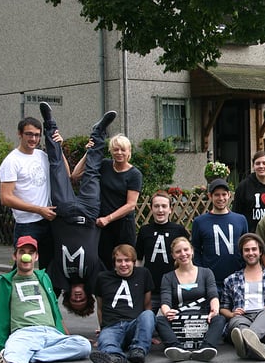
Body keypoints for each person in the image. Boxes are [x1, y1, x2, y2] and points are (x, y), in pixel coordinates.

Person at [0, 236, 91, 363]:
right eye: (22, 251)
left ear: (36, 257)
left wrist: (66, 336)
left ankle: (28, 356)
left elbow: (55, 310)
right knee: (14, 348)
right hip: (23, 334)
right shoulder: (4, 282)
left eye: (30, 252)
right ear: (15, 256)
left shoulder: (44, 278)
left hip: (51, 333)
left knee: (83, 345)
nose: (26, 256)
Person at [40, 102, 115, 317]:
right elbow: (105, 300)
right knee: (92, 171)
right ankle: (99, 131)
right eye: (82, 300)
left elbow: (48, 303)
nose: (78, 297)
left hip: (62, 213)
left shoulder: (57, 278)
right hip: (90, 213)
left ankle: (49, 124)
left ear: (68, 296)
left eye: (75, 300)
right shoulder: (96, 277)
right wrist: (103, 326)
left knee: (56, 167)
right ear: (88, 296)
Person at [73, 134, 142, 271]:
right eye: (115, 149)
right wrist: (89, 153)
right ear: (110, 151)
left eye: (123, 150)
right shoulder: (104, 165)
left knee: (125, 263)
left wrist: (108, 218)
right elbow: (75, 175)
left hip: (123, 225)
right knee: (104, 263)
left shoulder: (134, 174)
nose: (119, 153)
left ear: (129, 151)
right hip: (102, 226)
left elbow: (131, 205)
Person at [220, 233, 265, 361]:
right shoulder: (231, 279)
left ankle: (246, 341)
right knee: (236, 322)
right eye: (246, 250)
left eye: (254, 249)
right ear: (242, 253)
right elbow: (223, 308)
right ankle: (254, 346)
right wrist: (231, 314)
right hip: (243, 317)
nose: (250, 253)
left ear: (260, 252)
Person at [0, 116, 55, 269]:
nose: (33, 139)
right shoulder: (11, 161)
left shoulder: (42, 156)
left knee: (50, 269)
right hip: (27, 225)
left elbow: (68, 174)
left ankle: (47, 294)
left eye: (37, 135)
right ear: (20, 134)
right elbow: (6, 198)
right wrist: (38, 210)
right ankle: (9, 293)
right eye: (29, 134)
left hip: (48, 221)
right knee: (22, 267)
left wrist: (58, 147)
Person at [158, 237, 226, 363]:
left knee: (220, 319)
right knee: (159, 320)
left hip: (203, 317)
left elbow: (213, 295)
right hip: (179, 319)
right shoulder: (168, 277)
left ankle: (206, 348)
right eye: (178, 252)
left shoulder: (206, 273)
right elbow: (165, 301)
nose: (183, 254)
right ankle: (176, 348)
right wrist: (167, 312)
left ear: (192, 251)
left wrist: (214, 310)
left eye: (186, 250)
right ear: (173, 255)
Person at [90, 244, 155, 363]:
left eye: (127, 260)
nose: (123, 264)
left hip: (133, 325)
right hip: (112, 325)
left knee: (148, 315)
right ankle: (115, 358)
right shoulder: (103, 278)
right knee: (107, 340)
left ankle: (138, 351)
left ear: (134, 262)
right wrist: (102, 328)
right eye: (119, 261)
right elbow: (100, 307)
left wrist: (146, 332)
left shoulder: (143, 274)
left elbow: (147, 305)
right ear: (114, 262)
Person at [136, 190, 190, 312]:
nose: (160, 210)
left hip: (174, 287)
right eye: (156, 206)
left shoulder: (178, 230)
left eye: (164, 206)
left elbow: (188, 257)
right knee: (146, 320)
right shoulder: (145, 231)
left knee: (175, 321)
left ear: (170, 209)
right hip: (151, 287)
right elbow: (139, 259)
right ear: (151, 209)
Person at [191, 178, 248, 292]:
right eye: (217, 195)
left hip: (237, 278)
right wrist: (203, 273)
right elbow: (196, 250)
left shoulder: (240, 220)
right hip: (211, 281)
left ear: (229, 195)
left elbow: (245, 246)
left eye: (224, 194)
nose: (221, 198)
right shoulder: (200, 222)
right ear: (210, 196)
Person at [232, 151, 265, 232]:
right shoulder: (244, 186)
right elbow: (237, 212)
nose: (261, 166)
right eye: (257, 163)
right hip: (252, 234)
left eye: (264, 163)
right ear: (253, 166)